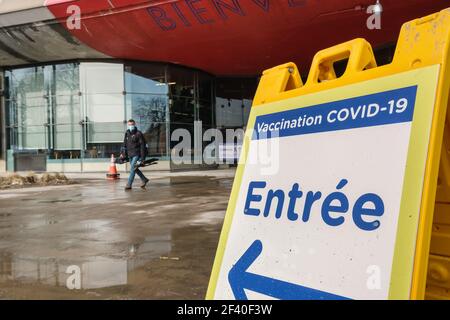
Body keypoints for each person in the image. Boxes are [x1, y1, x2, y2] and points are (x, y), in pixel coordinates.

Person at [121, 119, 149, 190]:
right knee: (135, 169)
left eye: (132, 124)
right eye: (130, 125)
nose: (131, 126)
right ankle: (144, 179)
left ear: (135, 124)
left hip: (137, 154)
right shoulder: (127, 133)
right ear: (128, 125)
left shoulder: (138, 133)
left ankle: (129, 184)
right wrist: (123, 153)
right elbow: (124, 144)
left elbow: (143, 146)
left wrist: (142, 158)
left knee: (133, 168)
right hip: (130, 155)